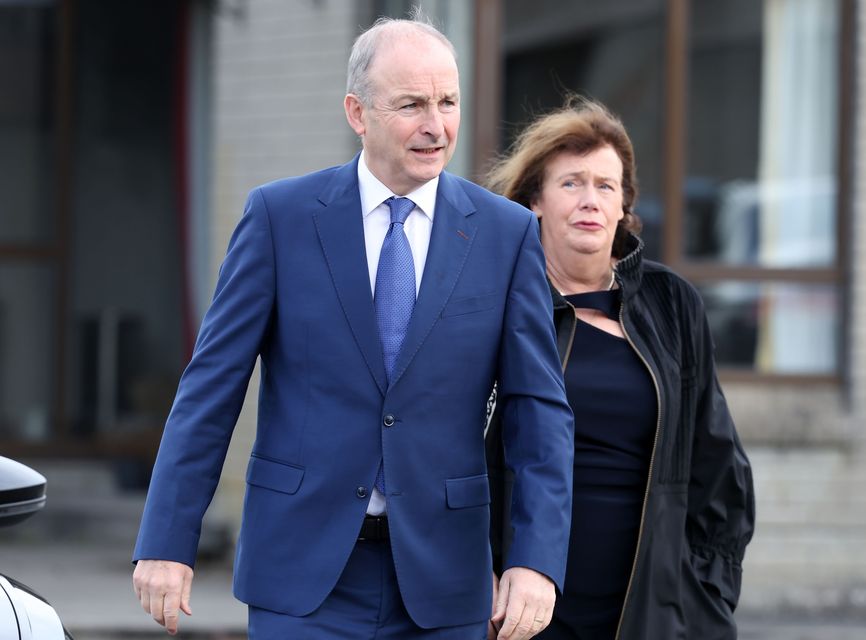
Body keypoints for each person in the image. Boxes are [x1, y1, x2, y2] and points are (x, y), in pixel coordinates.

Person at [132, 13, 574, 640]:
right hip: (303, 577)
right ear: (357, 113)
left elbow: (540, 414)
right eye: (411, 104)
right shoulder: (279, 219)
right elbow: (210, 389)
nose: (436, 124)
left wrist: (534, 560)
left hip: (444, 578)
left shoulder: (505, 235)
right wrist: (167, 540)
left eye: (448, 101)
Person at [485, 97, 755, 640]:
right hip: (520, 609)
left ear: (624, 204)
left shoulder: (670, 303)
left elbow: (718, 469)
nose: (590, 201)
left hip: (647, 612)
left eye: (606, 186)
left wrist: (704, 600)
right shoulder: (497, 301)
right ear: (535, 199)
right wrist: (478, 575)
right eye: (572, 183)